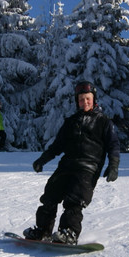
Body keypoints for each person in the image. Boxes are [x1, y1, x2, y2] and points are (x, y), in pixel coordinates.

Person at [24, 80, 120, 245]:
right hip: (67, 164)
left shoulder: (103, 122)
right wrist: (43, 159)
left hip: (88, 168)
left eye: (88, 98)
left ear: (94, 99)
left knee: (75, 200)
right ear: (77, 101)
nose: (85, 102)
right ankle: (43, 230)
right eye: (81, 99)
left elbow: (113, 145)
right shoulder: (71, 121)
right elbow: (58, 145)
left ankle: (69, 232)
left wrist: (113, 166)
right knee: (50, 195)